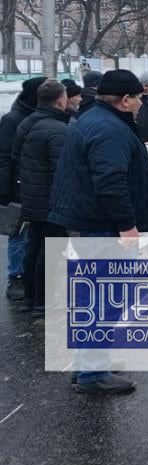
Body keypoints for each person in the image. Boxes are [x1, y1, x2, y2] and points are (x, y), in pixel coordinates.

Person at [49, 69, 148, 395]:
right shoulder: (109, 129)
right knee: (104, 299)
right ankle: (93, 374)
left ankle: (88, 363)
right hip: (102, 227)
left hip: (90, 223)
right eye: (138, 98)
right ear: (125, 100)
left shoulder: (94, 119)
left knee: (92, 296)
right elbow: (110, 181)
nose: (141, 104)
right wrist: (127, 226)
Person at [12, 80, 69, 316]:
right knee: (51, 249)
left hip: (31, 197)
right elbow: (62, 170)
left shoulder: (26, 123)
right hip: (52, 200)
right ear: (60, 100)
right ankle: (43, 300)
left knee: (33, 246)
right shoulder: (59, 129)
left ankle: (30, 297)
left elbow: (16, 158)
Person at [1, 76, 46, 299]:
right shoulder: (13, 120)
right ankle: (16, 277)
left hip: (37, 184)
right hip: (18, 186)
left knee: (34, 234)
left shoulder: (39, 115)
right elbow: (4, 157)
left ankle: (31, 275)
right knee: (18, 232)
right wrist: (5, 190)